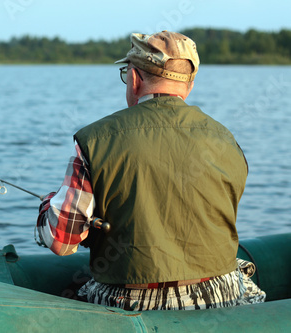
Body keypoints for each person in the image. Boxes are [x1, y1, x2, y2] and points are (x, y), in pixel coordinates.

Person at [36, 31, 266, 311]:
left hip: (132, 300)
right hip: (220, 293)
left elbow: (61, 240)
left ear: (134, 79)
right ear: (190, 84)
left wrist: (47, 206)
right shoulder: (227, 139)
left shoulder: (93, 139)